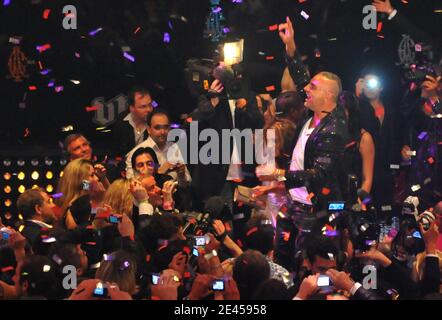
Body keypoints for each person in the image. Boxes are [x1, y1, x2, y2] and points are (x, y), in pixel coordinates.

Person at [257, 17, 351, 265]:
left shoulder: (333, 129)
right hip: (294, 202)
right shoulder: (315, 113)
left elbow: (318, 175)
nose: (306, 89)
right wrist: (290, 45)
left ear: (329, 94)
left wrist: (278, 174)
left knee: (308, 263)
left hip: (315, 210)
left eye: (313, 87)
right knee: (281, 258)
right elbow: (300, 79)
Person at [355, 70, 400, 215]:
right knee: (363, 209)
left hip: (386, 170)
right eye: (366, 83)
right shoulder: (358, 107)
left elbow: (396, 135)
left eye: (373, 83)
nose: (369, 86)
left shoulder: (390, 109)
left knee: (386, 210)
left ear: (381, 87)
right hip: (363, 168)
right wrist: (358, 96)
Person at [125, 109, 191, 185]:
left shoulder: (175, 148)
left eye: (165, 127)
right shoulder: (134, 154)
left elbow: (186, 184)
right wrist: (160, 171)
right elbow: (131, 188)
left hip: (174, 195)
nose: (162, 132)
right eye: (157, 128)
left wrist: (181, 175)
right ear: (149, 129)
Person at [339, 91, 375, 195]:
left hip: (353, 196)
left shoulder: (364, 138)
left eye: (342, 110)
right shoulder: (329, 134)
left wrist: (359, 203)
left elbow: (367, 179)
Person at [55, 159, 106, 230]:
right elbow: (92, 231)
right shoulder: (80, 206)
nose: (97, 178)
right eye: (92, 175)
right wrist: (98, 203)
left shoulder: (80, 203)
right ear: (81, 181)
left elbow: (114, 219)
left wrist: (104, 179)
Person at [112, 86, 153, 158]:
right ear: (132, 108)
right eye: (143, 107)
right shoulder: (121, 123)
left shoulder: (154, 121)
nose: (149, 110)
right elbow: (116, 152)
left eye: (150, 105)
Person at [16, 188, 60, 253]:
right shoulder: (40, 235)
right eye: (49, 202)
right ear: (38, 209)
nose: (53, 205)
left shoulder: (28, 231)